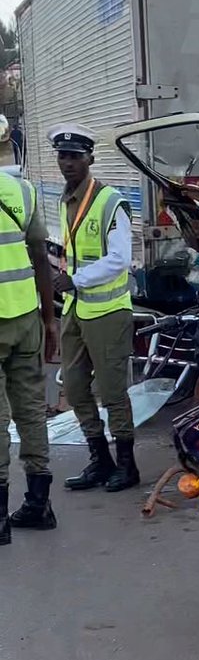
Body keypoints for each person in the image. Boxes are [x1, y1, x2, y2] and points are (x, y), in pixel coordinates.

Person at [48, 124, 139, 493]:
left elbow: (120, 259)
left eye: (75, 156)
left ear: (90, 159)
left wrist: (77, 279)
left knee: (112, 390)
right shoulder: (65, 198)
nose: (67, 163)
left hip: (107, 311)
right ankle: (99, 458)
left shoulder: (110, 201)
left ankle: (127, 465)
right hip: (75, 310)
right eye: (62, 156)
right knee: (74, 386)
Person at [0, 168, 57, 544]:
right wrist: (50, 320)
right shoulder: (21, 190)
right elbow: (41, 258)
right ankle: (39, 505)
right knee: (31, 412)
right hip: (25, 319)